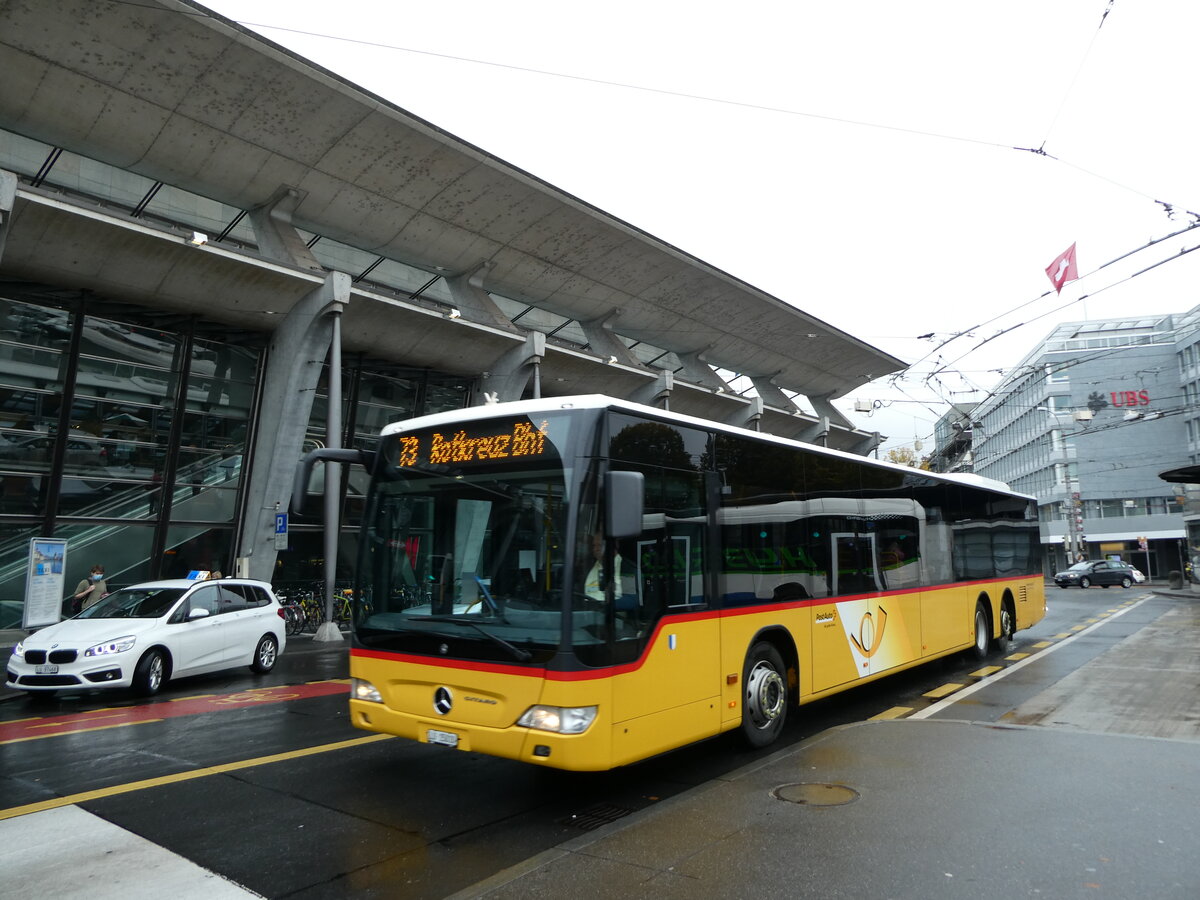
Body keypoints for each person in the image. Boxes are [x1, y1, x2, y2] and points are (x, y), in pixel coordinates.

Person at [584, 533, 623, 602]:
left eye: (599, 545)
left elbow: (631, 600)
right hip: (589, 610)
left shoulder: (624, 567)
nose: (595, 549)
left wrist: (602, 606)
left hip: (609, 611)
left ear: (611, 546)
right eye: (594, 545)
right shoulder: (592, 566)